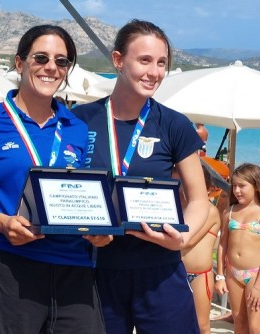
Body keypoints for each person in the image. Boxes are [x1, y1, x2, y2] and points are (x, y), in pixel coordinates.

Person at [0, 25, 110, 333]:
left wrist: (100, 231)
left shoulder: (77, 128)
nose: (51, 67)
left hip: (73, 266)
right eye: (41, 58)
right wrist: (3, 223)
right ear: (21, 63)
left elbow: (84, 194)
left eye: (61, 61)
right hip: (7, 261)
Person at [71, 20, 209, 333]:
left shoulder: (174, 125)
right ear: (118, 60)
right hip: (96, 268)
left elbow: (200, 200)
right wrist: (84, 229)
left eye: (162, 63)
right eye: (144, 60)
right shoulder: (80, 120)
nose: (154, 72)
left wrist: (183, 237)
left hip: (160, 270)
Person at [215, 163, 260, 333]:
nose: (237, 191)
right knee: (239, 322)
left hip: (255, 274)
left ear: (256, 186)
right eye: (234, 186)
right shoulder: (230, 212)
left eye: (242, 186)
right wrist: (220, 276)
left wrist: (259, 285)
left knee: (256, 326)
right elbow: (223, 244)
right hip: (233, 272)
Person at [181, 165, 221, 334]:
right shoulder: (179, 209)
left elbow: (187, 241)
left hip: (200, 275)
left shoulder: (210, 211)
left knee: (202, 324)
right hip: (178, 272)